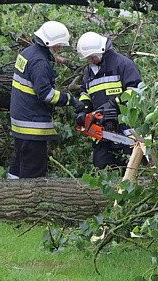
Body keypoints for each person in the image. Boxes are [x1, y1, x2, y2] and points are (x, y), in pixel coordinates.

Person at [8, 21, 84, 179]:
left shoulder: (27, 53)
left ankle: (10, 196)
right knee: (33, 171)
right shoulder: (40, 63)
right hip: (32, 125)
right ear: (49, 42)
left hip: (20, 122)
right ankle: (28, 201)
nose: (59, 48)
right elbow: (46, 94)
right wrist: (71, 100)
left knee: (18, 163)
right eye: (58, 45)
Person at [76, 31, 143, 169]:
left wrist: (113, 104)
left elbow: (136, 91)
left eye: (92, 57)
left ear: (101, 50)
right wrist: (84, 109)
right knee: (101, 170)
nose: (90, 60)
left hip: (125, 128)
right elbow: (85, 93)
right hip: (102, 132)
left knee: (129, 171)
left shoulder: (123, 64)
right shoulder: (89, 72)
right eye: (88, 58)